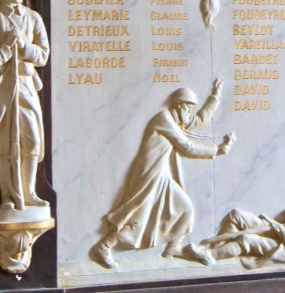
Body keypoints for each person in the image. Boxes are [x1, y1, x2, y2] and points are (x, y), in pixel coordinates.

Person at [91, 79, 234, 268]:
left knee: (185, 208)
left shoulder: (176, 120)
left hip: (162, 175)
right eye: (188, 109)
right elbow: (187, 148)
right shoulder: (164, 119)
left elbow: (198, 121)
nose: (190, 114)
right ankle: (104, 246)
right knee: (137, 215)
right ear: (180, 107)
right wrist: (217, 150)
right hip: (149, 175)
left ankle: (174, 246)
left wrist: (214, 97)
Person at [0, 0, 50, 212]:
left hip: (25, 85)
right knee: (2, 143)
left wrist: (24, 46)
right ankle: (8, 195)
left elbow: (42, 56)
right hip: (0, 89)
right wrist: (8, 46)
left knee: (31, 137)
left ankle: (28, 193)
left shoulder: (32, 18)